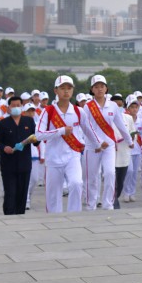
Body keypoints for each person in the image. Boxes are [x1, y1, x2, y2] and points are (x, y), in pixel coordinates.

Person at [36, 76, 96, 213]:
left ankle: (74, 216)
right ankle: (54, 221)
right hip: (53, 158)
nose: (66, 91)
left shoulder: (78, 111)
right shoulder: (48, 111)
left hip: (72, 156)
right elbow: (39, 134)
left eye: (69, 88)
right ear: (55, 91)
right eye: (62, 88)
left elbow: (89, 131)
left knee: (76, 183)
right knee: (53, 195)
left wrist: (98, 144)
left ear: (73, 90)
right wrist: (61, 131)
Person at [82, 75, 135, 211]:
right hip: (92, 146)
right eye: (96, 87)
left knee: (110, 173)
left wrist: (129, 140)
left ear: (106, 88)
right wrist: (98, 142)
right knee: (92, 177)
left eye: (102, 86)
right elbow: (86, 128)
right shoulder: (88, 107)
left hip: (109, 145)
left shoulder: (113, 106)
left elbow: (121, 125)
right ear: (92, 89)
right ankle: (91, 205)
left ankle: (108, 204)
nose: (99, 89)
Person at [0, 96, 36, 215]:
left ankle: (20, 215)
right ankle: (8, 216)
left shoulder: (29, 121)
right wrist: (4, 148)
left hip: (24, 163)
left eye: (18, 105)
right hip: (8, 164)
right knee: (10, 192)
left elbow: (37, 140)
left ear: (22, 107)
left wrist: (34, 140)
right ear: (8, 108)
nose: (16, 107)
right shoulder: (3, 123)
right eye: (13, 105)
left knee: (22, 193)